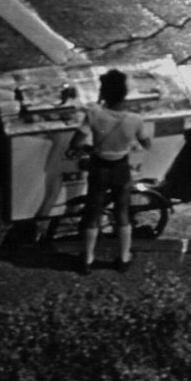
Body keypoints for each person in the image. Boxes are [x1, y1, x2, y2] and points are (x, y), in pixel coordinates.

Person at [68, 69, 152, 273]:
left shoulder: (94, 114)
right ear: (125, 93)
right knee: (122, 211)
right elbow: (146, 143)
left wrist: (85, 148)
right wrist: (127, 145)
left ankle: (87, 258)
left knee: (93, 213)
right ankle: (123, 257)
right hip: (121, 167)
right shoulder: (135, 119)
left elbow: (75, 143)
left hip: (99, 167)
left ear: (104, 92)